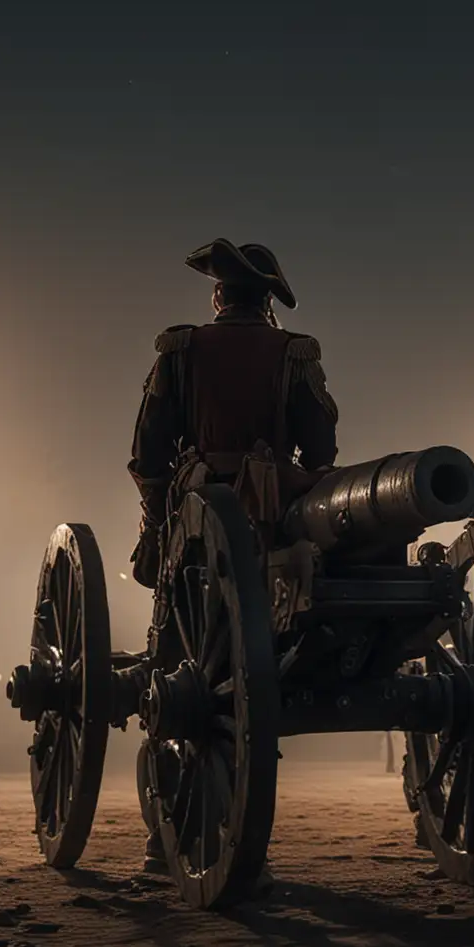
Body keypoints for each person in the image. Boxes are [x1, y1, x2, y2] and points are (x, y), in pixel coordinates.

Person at [126, 239, 338, 872]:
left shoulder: (181, 351)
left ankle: (166, 831)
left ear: (218, 297)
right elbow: (321, 447)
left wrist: (158, 518)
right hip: (274, 524)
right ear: (267, 301)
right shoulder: (294, 354)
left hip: (198, 529)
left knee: (177, 655)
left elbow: (147, 453)